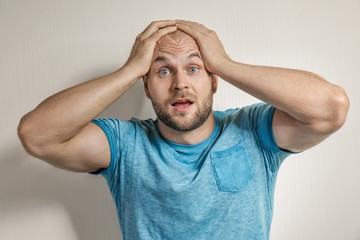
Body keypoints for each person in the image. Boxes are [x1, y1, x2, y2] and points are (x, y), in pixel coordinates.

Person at [18, 20, 349, 239]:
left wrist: (226, 63)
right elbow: (37, 135)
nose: (180, 84)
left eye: (194, 68)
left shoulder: (253, 130)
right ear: (145, 87)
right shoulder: (125, 144)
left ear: (214, 80)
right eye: (163, 71)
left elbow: (331, 108)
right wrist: (132, 68)